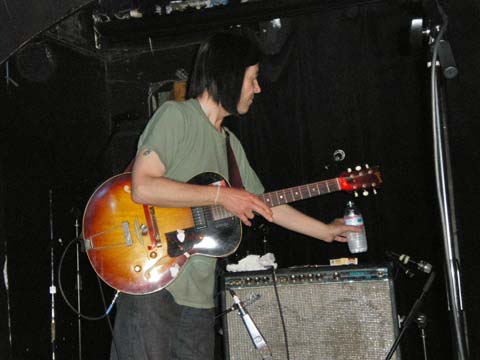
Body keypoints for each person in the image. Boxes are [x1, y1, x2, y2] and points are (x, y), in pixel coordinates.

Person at [110, 30, 358, 360]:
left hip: (200, 299)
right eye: (252, 78)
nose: (258, 88)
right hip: (154, 283)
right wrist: (220, 197)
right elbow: (143, 187)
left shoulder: (230, 145)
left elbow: (265, 203)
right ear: (228, 75)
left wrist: (326, 231)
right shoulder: (177, 117)